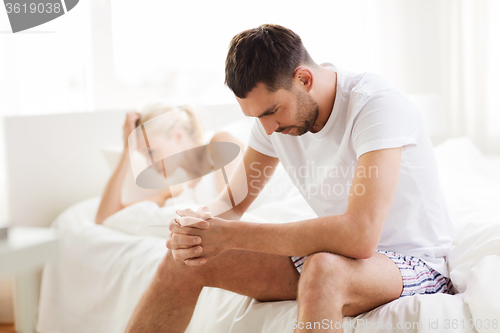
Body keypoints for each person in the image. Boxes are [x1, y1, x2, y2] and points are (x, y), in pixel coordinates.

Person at [124, 24, 454, 332]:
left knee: (324, 269)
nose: (268, 129)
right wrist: (197, 228)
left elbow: (360, 236)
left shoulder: (375, 105)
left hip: (415, 262)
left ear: (304, 79)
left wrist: (232, 236)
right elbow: (232, 202)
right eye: (256, 117)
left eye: (271, 111)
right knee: (187, 259)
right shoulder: (272, 123)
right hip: (343, 259)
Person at [95, 103, 245, 225]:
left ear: (177, 134)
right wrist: (127, 151)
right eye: (144, 155)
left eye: (151, 152)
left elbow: (230, 216)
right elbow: (105, 216)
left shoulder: (221, 142)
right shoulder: (184, 189)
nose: (149, 164)